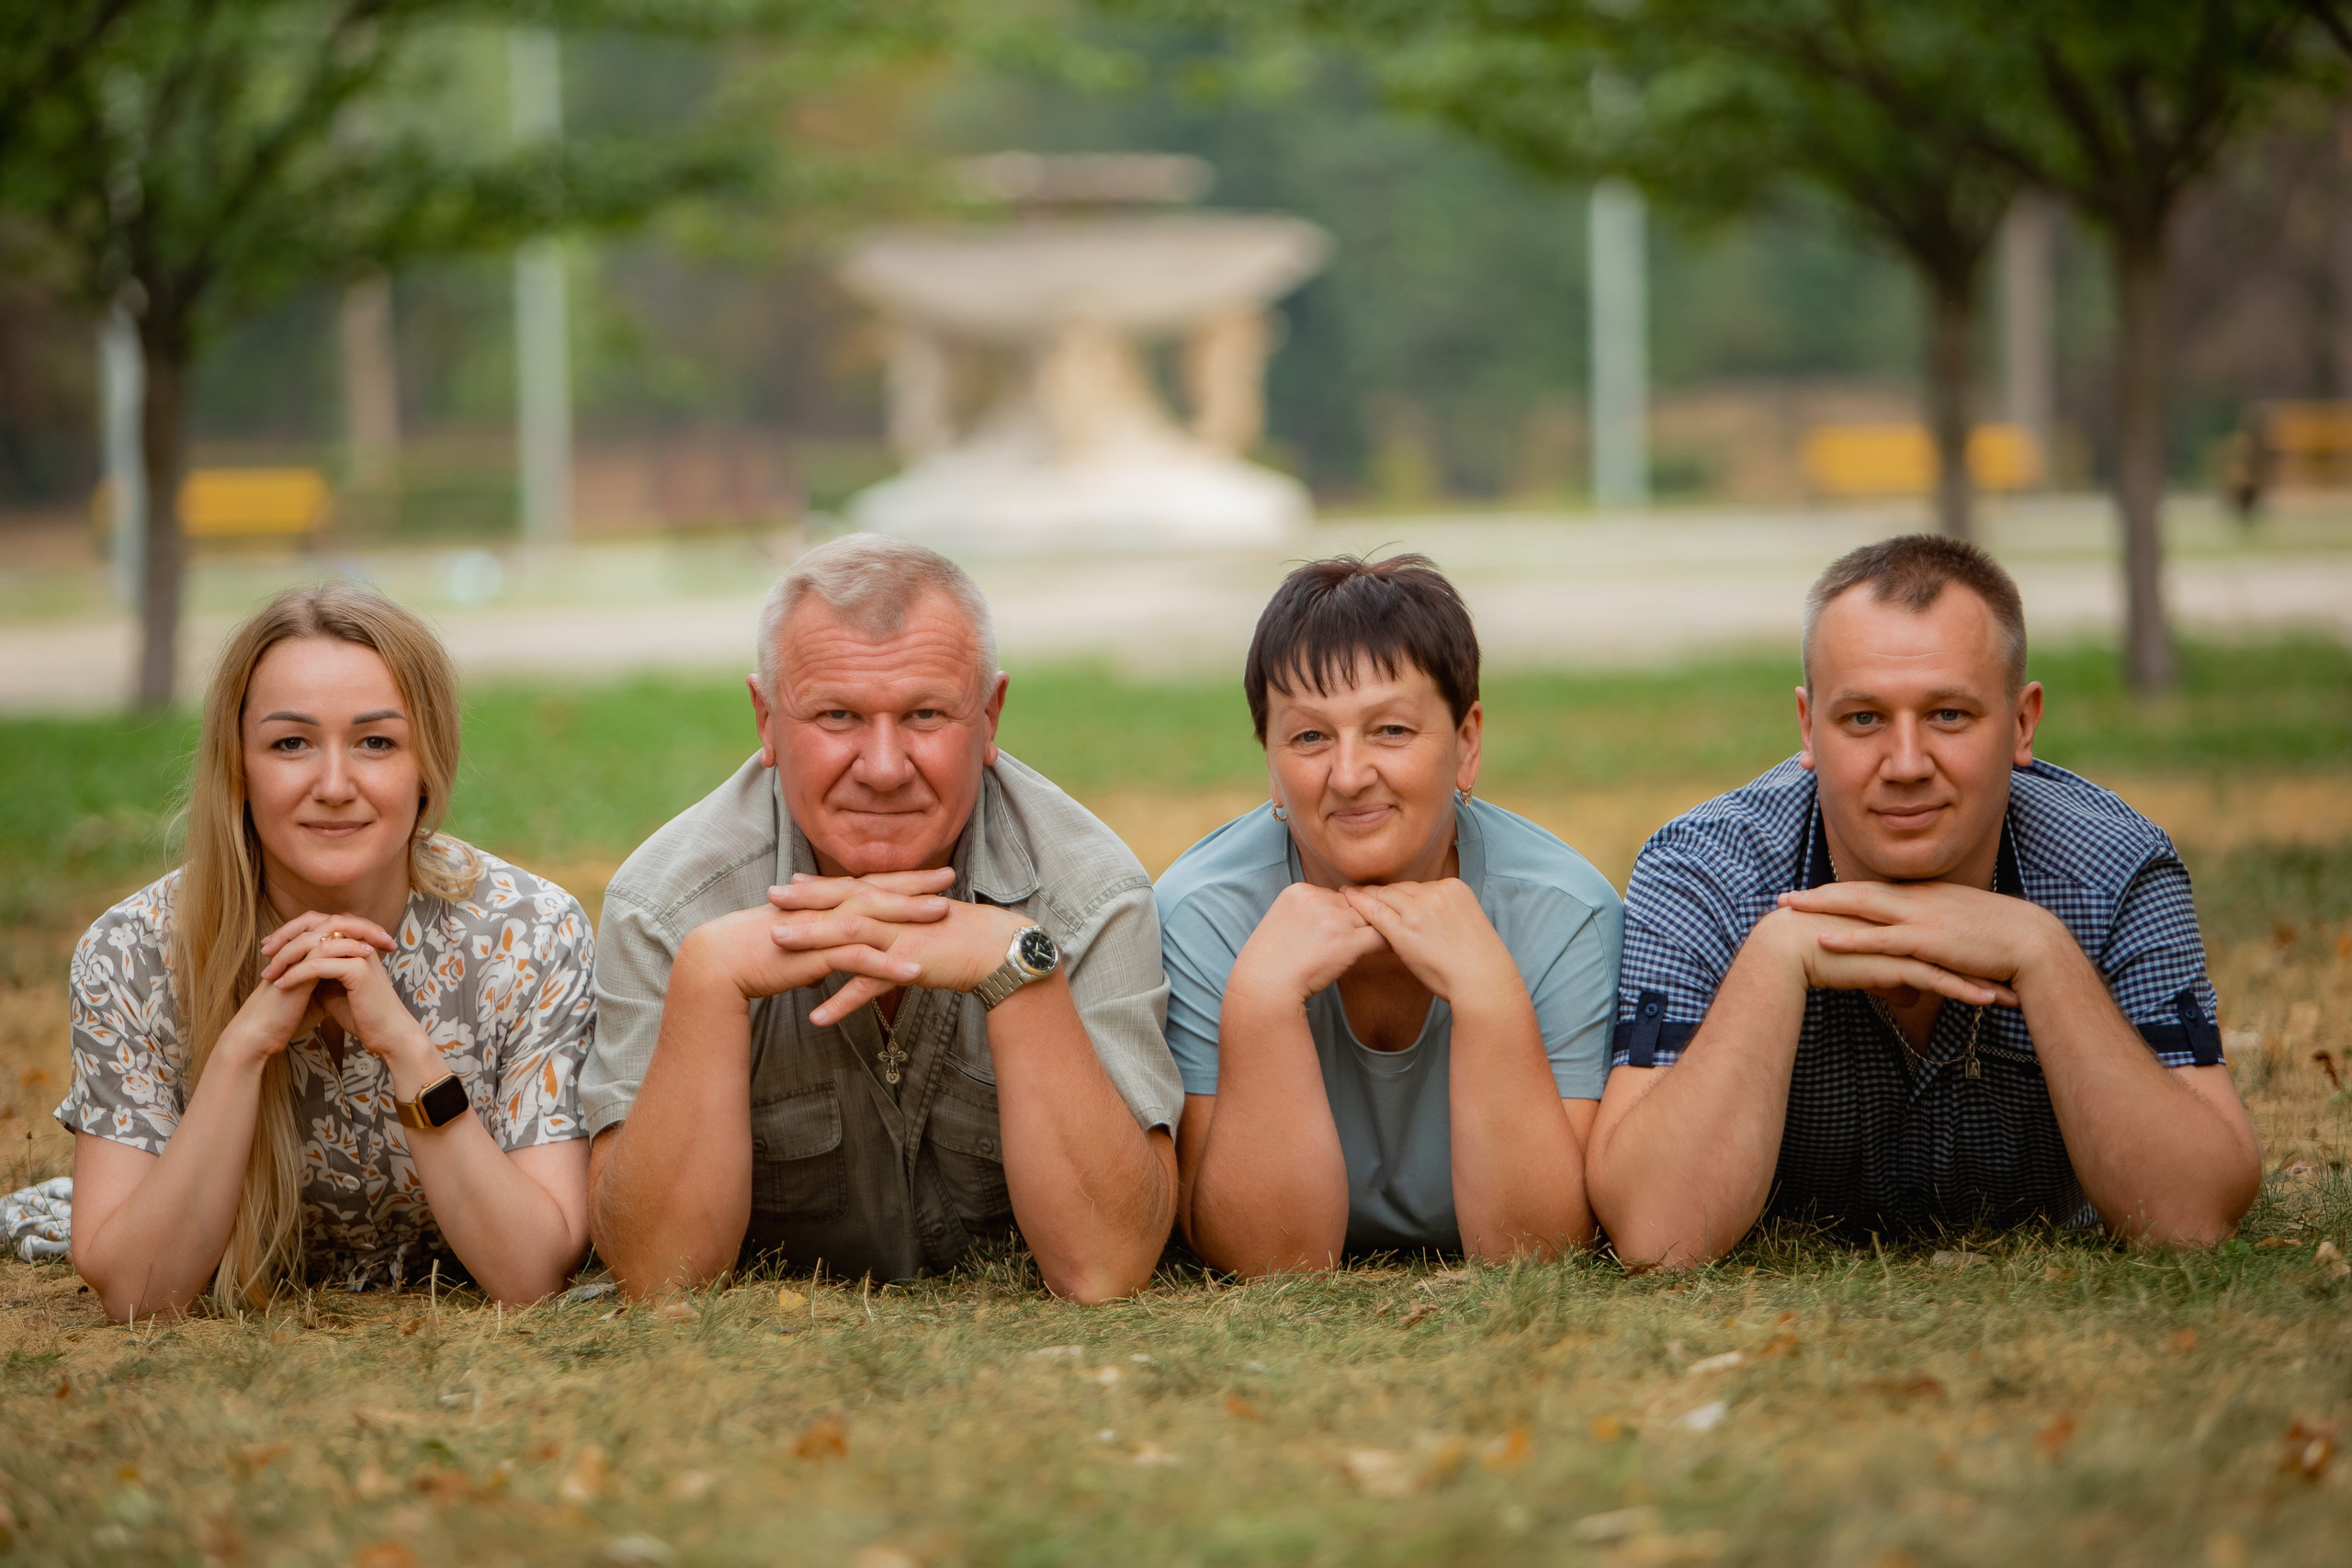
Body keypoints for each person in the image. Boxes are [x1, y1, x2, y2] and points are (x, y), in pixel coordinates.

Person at [1588, 535, 2262, 1267]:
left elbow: (2194, 1218)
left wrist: (2042, 952)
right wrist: (1778, 955)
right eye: (1864, 719)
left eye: (1948, 714)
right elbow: (1658, 1236)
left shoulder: (2118, 867)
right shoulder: (1703, 873)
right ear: (1807, 726)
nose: (1906, 765)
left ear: (2023, 721)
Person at [583, 534, 1182, 1303]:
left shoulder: (1089, 895)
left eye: (926, 714)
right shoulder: (666, 908)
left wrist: (1018, 964)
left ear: (991, 715)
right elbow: (656, 1274)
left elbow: (1106, 1266)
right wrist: (709, 984)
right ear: (766, 719)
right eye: (837, 715)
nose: (885, 765)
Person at [61, 586, 596, 1319]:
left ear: (427, 767)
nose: (335, 785)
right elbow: (140, 1293)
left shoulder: (532, 936)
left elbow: (531, 1271)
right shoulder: (132, 954)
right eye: (291, 743)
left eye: (376, 741)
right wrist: (245, 1046)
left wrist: (407, 1047)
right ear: (238, 767)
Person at [1158, 556, 1623, 1276]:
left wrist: (1488, 994)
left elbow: (1536, 1250)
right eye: (1310, 737)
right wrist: (1261, 1002)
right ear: (1271, 768)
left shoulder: (1566, 913)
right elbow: (1270, 1260)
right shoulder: (1200, 912)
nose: (1348, 775)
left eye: (1392, 731)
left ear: (1467, 744)